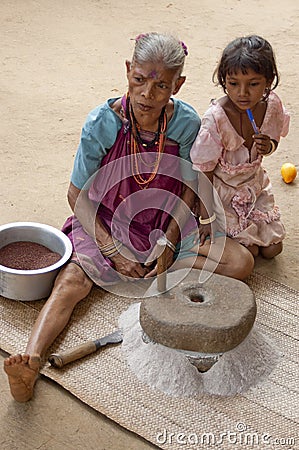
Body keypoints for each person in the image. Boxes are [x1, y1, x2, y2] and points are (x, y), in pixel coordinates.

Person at [4, 32, 254, 402]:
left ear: (178, 84)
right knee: (72, 281)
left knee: (240, 262)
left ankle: (153, 267)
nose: (147, 95)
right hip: (109, 218)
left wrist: (169, 239)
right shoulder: (101, 123)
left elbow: (189, 184)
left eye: (161, 86)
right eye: (139, 80)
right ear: (127, 71)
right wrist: (113, 248)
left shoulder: (185, 123)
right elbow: (77, 194)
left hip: (164, 219)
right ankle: (31, 361)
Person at [190, 35, 290, 258]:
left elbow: (273, 140)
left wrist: (269, 146)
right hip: (220, 194)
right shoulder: (216, 119)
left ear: (268, 80)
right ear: (224, 80)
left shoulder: (272, 105)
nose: (242, 93)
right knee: (250, 250)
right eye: (233, 84)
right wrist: (206, 219)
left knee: (274, 248)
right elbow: (203, 173)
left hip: (253, 187)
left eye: (253, 84)